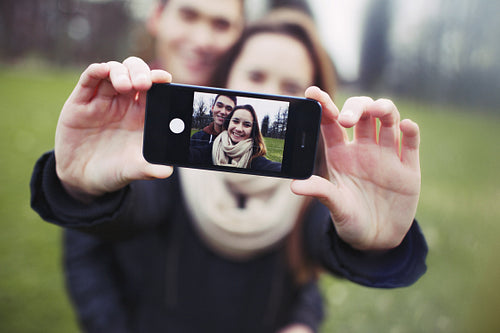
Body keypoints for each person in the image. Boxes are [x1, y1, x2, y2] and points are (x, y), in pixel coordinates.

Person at [30, 8, 427, 333]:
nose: (270, 93)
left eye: (291, 84)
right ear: (226, 80)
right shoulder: (173, 158)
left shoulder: (312, 185)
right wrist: (81, 189)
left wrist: (373, 244)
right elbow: (126, 213)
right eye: (255, 76)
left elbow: (314, 259)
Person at [57, 1, 326, 332]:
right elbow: (109, 227)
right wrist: (81, 188)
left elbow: (310, 260)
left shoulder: (302, 170)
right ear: (157, 16)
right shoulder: (166, 140)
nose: (201, 39)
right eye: (188, 14)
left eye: (221, 24)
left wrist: (304, 321)